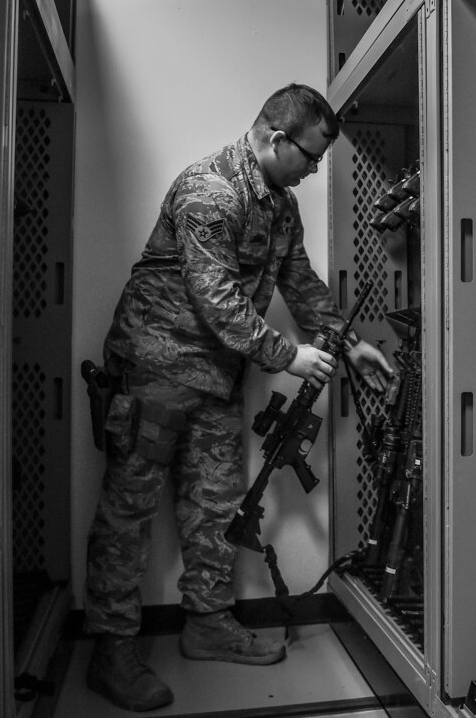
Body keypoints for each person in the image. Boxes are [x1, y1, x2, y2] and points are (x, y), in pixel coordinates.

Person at [84, 83, 394, 712]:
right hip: (157, 370)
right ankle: (112, 652)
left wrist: (348, 341)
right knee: (130, 511)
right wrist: (290, 357)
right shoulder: (208, 190)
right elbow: (216, 300)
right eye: (309, 158)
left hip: (217, 378)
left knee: (217, 505)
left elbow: (299, 280)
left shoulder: (278, 205)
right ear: (277, 140)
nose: (312, 172)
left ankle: (207, 625)